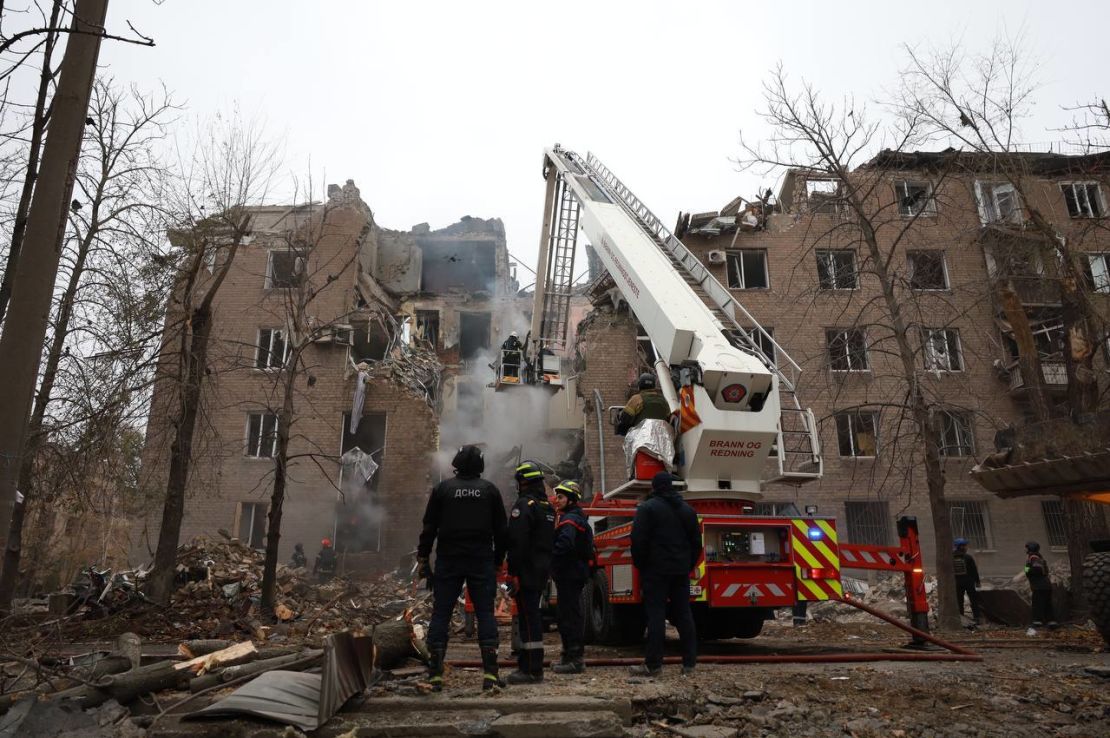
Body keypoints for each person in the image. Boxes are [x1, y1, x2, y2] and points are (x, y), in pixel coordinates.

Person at [416, 445, 508, 691]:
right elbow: (502, 531)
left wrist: (423, 559)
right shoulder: (490, 491)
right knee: (486, 613)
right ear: (480, 465)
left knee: (441, 613)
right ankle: (490, 675)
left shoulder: (442, 490)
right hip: (481, 559)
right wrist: (498, 560)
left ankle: (435, 675)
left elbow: (428, 528)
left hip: (449, 558)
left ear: (456, 463)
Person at [629, 472, 701, 676]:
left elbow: (638, 540)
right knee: (684, 614)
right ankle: (689, 664)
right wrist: (687, 565)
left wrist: (642, 566)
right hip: (680, 571)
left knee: (656, 616)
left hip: (655, 571)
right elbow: (696, 543)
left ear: (654, 487)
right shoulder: (688, 510)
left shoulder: (648, 509)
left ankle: (653, 665)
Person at [504, 460, 556, 684]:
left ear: (523, 481)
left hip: (525, 570)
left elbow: (517, 541)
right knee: (532, 616)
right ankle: (532, 667)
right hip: (541, 569)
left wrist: (512, 571)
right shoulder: (547, 507)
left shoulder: (524, 505)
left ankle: (530, 670)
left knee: (527, 619)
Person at [550, 480, 592, 675]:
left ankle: (574, 659)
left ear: (571, 499)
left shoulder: (570, 520)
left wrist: (550, 559)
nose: (556, 500)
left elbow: (565, 545)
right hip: (573, 573)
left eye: (561, 497)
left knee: (569, 617)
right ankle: (569, 656)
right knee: (567, 614)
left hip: (569, 574)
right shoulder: (575, 517)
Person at [1024, 541, 1057, 630]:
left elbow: (1036, 569)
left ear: (1030, 548)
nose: (1026, 550)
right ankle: (1051, 622)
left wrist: (1027, 570)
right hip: (1046, 585)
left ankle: (1037, 622)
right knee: (1047, 604)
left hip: (1039, 586)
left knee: (1037, 604)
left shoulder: (1033, 558)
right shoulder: (1040, 557)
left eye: (1027, 548)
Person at [953, 538, 981, 625]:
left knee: (959, 600)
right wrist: (977, 581)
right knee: (973, 600)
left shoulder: (950, 557)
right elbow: (974, 570)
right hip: (969, 581)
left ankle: (961, 617)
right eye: (964, 545)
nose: (966, 547)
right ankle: (977, 618)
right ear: (961, 546)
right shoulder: (968, 557)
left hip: (957, 582)